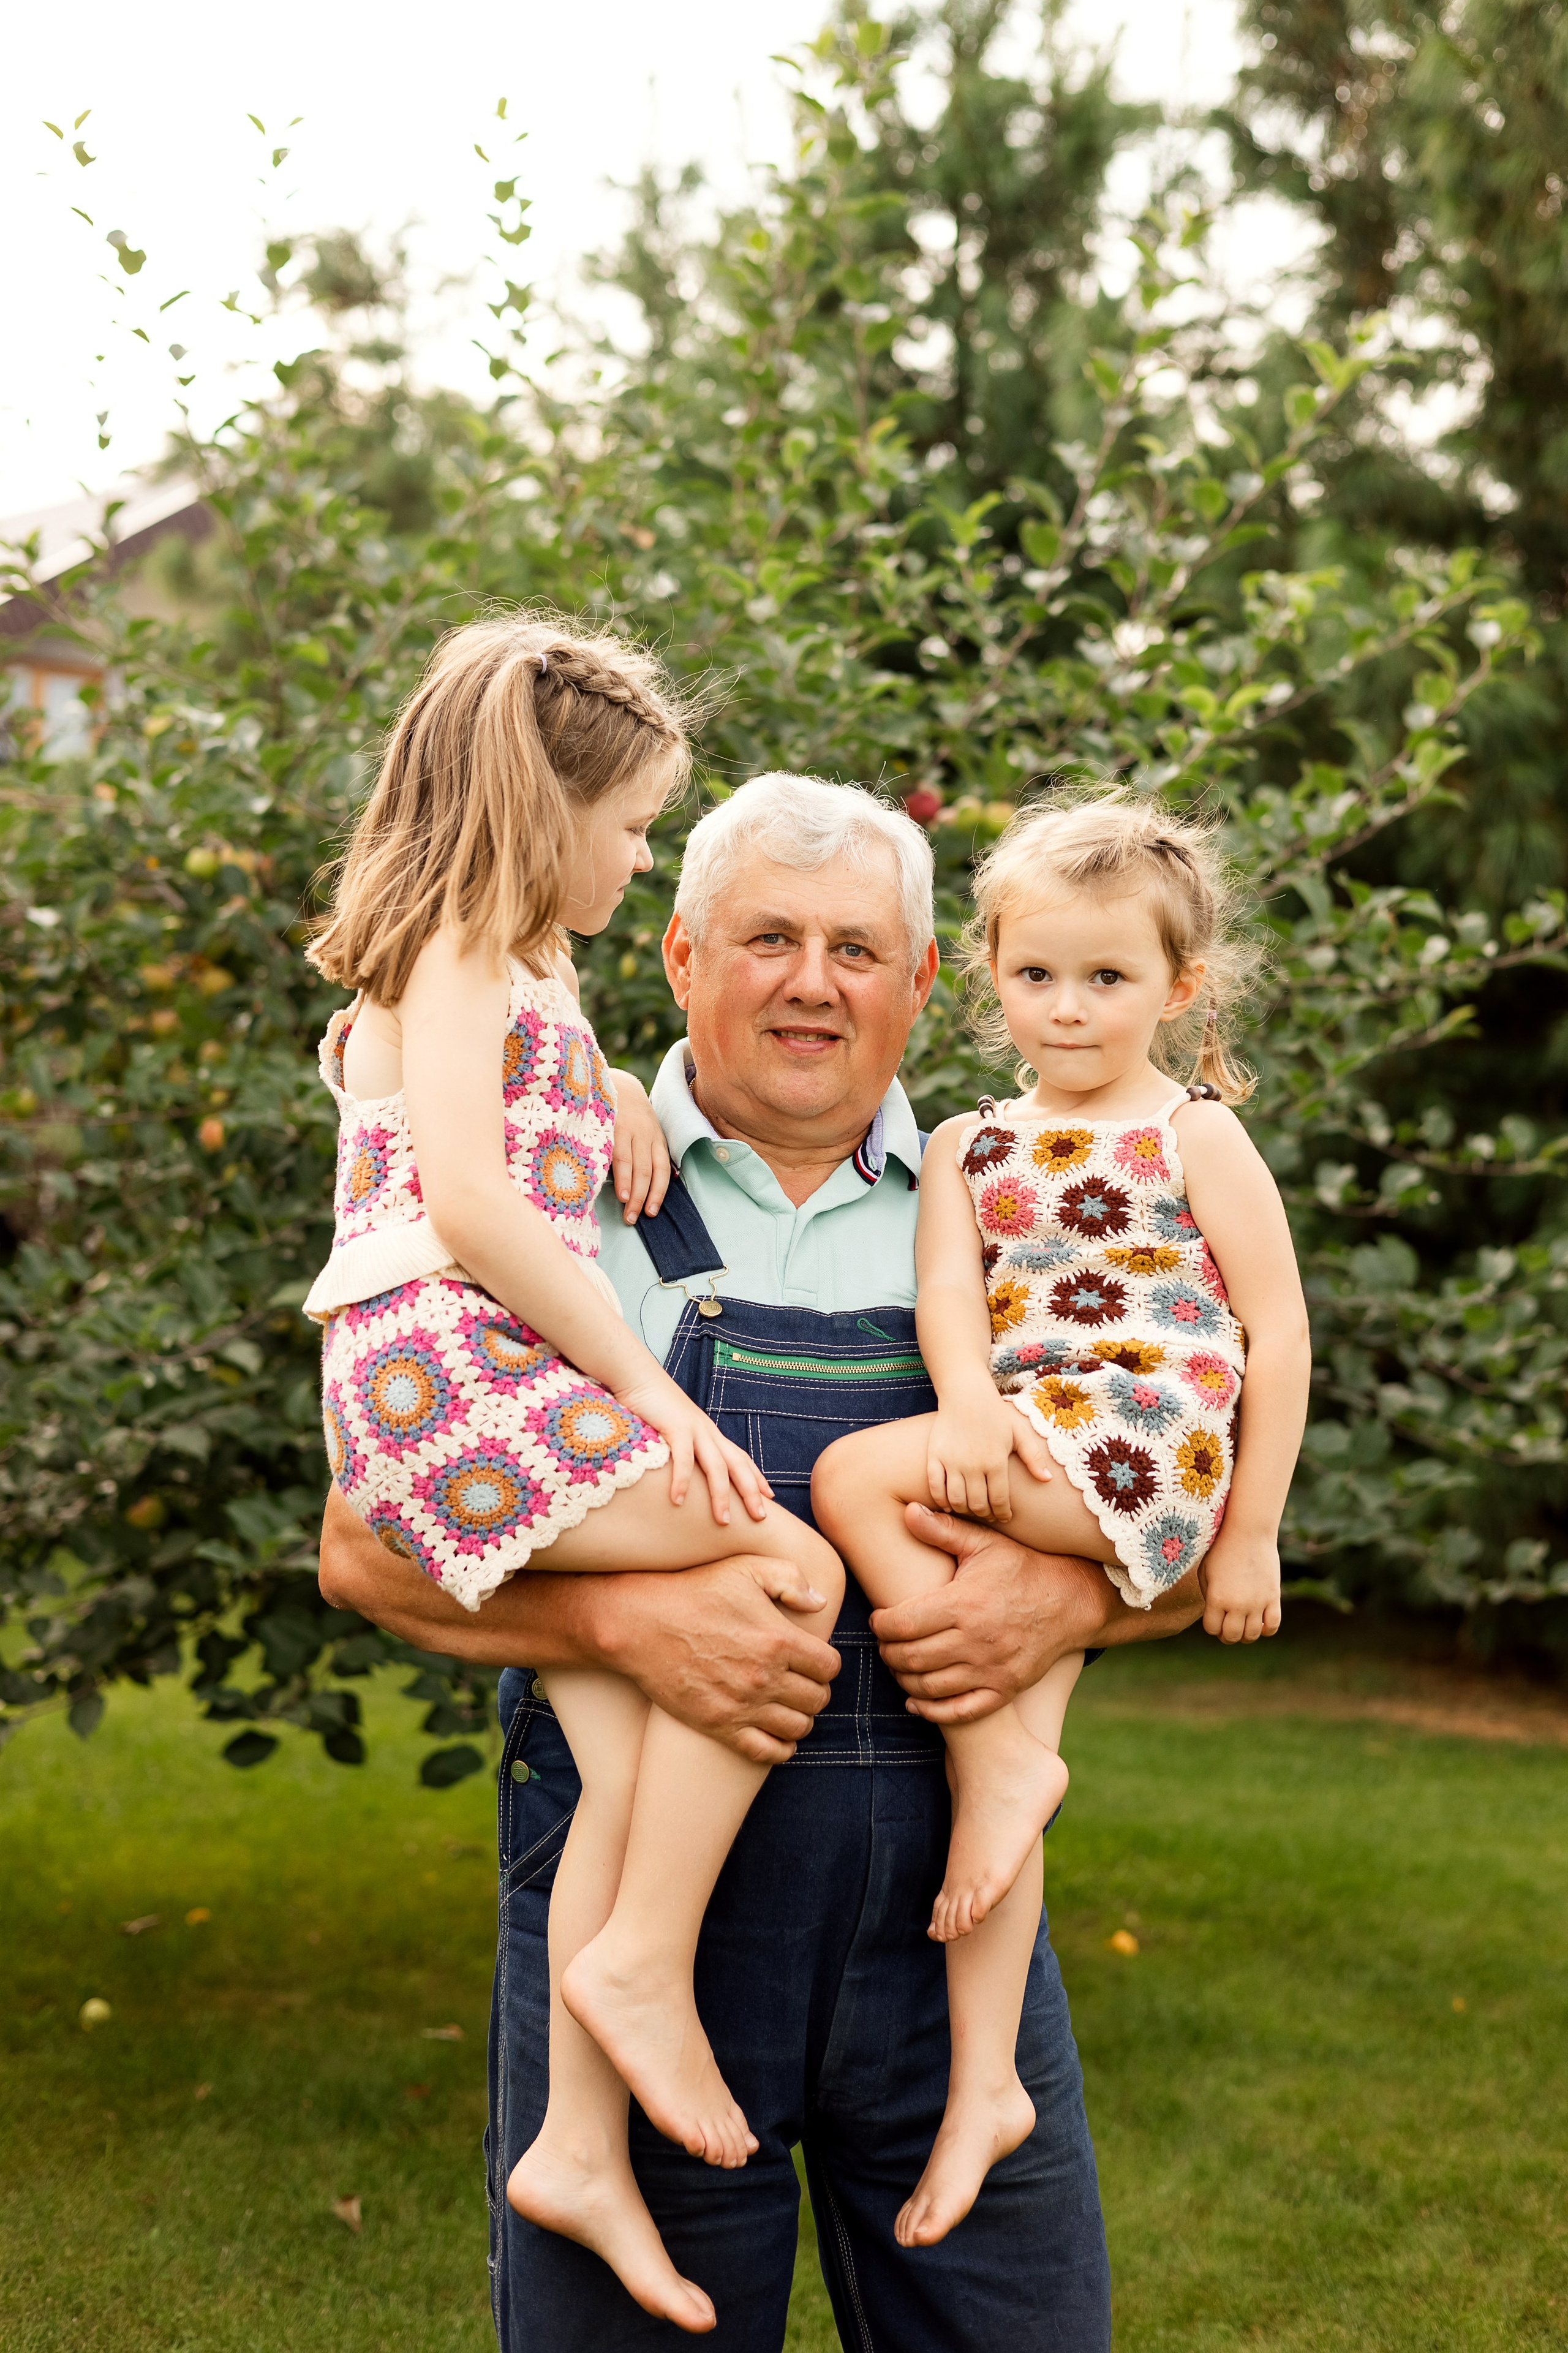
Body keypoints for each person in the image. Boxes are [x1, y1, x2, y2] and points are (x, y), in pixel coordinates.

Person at [317, 770, 1210, 2353]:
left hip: (951, 1947)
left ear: (930, 983)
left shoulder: (1028, 1207)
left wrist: (1064, 1594)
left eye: (860, 948)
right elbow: (367, 1545)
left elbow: (1196, 1522)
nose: (814, 981)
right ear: (674, 956)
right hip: (633, 1952)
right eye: (768, 939)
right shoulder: (544, 1185)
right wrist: (621, 1622)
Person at [303, 615, 849, 2337]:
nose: (636, 856)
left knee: (628, 1752)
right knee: (789, 1565)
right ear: (547, 810)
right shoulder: (460, 943)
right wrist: (643, 1389)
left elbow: (493, 1113)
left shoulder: (512, 966)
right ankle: (629, 1966)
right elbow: (465, 1202)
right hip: (446, 1385)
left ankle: (578, 2137)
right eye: (629, 829)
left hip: (469, 1383)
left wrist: (603, 1069)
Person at [813, 791, 1312, 2251]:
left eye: (1108, 978)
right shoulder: (968, 1141)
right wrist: (965, 1409)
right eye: (1036, 975)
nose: (1070, 1007)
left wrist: (1254, 1530)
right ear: (988, 978)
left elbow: (1274, 1334)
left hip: (1143, 1442)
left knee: (851, 1479)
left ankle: (996, 1766)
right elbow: (946, 1301)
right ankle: (984, 2087)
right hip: (1025, 1440)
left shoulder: (1193, 1133)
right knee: (1010, 1757)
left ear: (1178, 985)